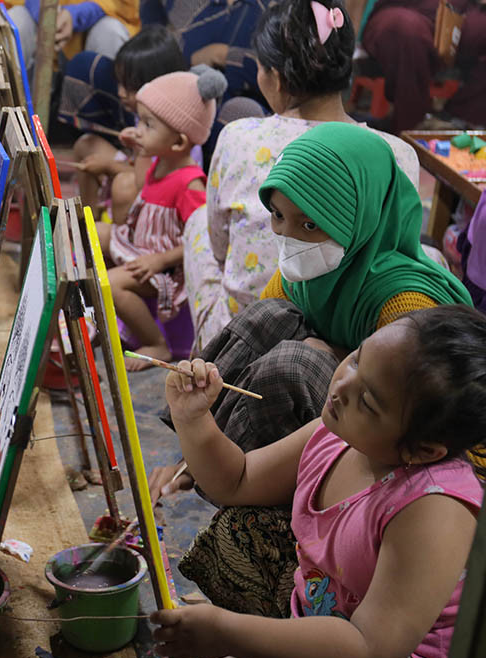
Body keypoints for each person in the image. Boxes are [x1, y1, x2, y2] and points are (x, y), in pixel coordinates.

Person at [153, 305, 486, 658]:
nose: (342, 387)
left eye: (368, 401)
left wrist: (229, 632)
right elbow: (238, 479)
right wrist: (193, 418)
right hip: (329, 610)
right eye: (357, 359)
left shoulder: (435, 508)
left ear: (423, 451)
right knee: (240, 529)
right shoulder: (335, 436)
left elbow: (369, 651)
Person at [154, 123, 471, 500]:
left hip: (389, 442)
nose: (289, 236)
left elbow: (405, 413)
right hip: (353, 409)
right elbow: (264, 333)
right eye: (277, 215)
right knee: (268, 317)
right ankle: (199, 461)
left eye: (309, 224)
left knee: (294, 364)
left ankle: (248, 484)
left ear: (362, 217)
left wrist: (328, 354)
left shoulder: (406, 304)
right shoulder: (308, 272)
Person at [183, 0, 421, 355]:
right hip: (351, 345)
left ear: (276, 79)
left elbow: (219, 247)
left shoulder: (238, 137)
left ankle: (209, 349)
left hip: (245, 340)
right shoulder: (396, 153)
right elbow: (398, 249)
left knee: (198, 222)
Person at [104, 66, 226, 369]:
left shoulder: (189, 184)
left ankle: (157, 343)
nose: (139, 129)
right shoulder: (158, 160)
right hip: (140, 246)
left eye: (148, 124)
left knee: (110, 283)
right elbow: (142, 182)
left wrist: (160, 261)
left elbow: (201, 242)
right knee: (90, 231)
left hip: (167, 270)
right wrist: (137, 144)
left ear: (178, 143)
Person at [70, 25, 186, 225]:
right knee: (86, 145)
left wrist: (108, 166)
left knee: (124, 185)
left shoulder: (172, 123)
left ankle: (117, 236)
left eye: (130, 86)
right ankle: (88, 222)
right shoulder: (145, 113)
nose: (121, 93)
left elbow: (149, 181)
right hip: (140, 171)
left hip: (159, 194)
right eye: (120, 83)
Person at [361, 0, 486, 133]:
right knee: (406, 29)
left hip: (462, 13)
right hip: (409, 10)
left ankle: (454, 123)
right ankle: (410, 129)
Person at [6, 0, 140, 71]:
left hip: (94, 22)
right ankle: (8, 108)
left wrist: (78, 14)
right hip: (37, 23)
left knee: (110, 33)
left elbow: (122, 4)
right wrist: (43, 12)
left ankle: (107, 113)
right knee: (15, 22)